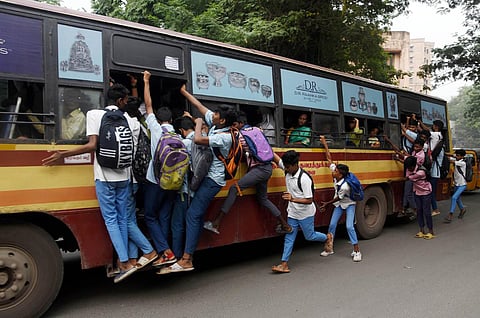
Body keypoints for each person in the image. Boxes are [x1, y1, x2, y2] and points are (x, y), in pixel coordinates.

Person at [42, 84, 138, 283]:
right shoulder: (128, 118)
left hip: (105, 177)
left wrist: (63, 154)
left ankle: (124, 262)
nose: (126, 103)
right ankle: (128, 261)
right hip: (124, 177)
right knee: (122, 219)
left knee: (111, 220)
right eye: (125, 100)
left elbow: (92, 145)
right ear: (121, 101)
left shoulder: (95, 114)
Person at [159, 84, 236, 273]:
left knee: (193, 214)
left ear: (222, 120)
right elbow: (201, 107)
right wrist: (184, 92)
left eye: (216, 114)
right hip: (206, 177)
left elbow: (199, 139)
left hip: (213, 181)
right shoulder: (218, 125)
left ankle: (187, 259)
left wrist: (198, 123)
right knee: (194, 214)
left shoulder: (225, 136)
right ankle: (186, 256)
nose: (213, 114)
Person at [203, 111, 291, 235]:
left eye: (234, 125)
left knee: (234, 188)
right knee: (263, 199)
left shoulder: (239, 136)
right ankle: (284, 224)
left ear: (240, 123)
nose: (233, 127)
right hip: (267, 168)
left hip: (259, 170)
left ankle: (216, 222)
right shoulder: (256, 130)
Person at [271, 150, 333, 273]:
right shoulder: (287, 167)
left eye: (288, 167)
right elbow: (276, 158)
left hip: (305, 214)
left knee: (309, 236)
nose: (286, 169)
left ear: (295, 165)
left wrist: (292, 199)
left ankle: (327, 237)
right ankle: (284, 264)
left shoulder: (304, 179)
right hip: (292, 213)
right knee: (289, 237)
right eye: (285, 167)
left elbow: (309, 200)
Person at [142, 70, 177, 269]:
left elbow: (148, 105)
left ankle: (166, 252)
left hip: (156, 180)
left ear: (159, 118)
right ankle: (167, 251)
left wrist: (146, 82)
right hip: (174, 183)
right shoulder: (178, 134)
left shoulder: (155, 128)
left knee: (150, 216)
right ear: (171, 120)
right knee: (164, 215)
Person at [319, 136, 362, 262]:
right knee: (332, 225)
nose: (333, 171)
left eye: (335, 171)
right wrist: (324, 143)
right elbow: (329, 159)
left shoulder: (345, 186)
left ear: (340, 174)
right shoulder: (337, 175)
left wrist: (326, 203)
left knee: (349, 227)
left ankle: (357, 251)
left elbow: (338, 197)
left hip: (349, 204)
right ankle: (329, 248)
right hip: (339, 204)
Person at [170, 115, 196, 258]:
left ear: (182, 130)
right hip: (196, 189)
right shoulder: (201, 139)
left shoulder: (184, 142)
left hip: (184, 190)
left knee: (177, 225)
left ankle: (178, 255)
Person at [418, 118, 445, 216]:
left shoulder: (436, 135)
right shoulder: (439, 136)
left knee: (431, 191)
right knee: (430, 191)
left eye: (433, 125)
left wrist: (420, 122)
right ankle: (431, 208)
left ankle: (435, 209)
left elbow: (426, 131)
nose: (431, 127)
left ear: (436, 127)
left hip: (434, 171)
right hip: (434, 171)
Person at [404, 156, 435, 239]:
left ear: (414, 166)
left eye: (410, 168)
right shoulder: (410, 167)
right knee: (419, 211)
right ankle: (421, 230)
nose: (408, 169)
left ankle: (430, 231)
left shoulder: (421, 172)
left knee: (427, 212)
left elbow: (409, 177)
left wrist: (408, 176)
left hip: (425, 192)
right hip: (417, 192)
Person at [444, 149, 467, 223]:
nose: (456, 156)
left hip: (462, 184)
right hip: (456, 183)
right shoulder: (458, 158)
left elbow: (452, 160)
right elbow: (452, 155)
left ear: (462, 156)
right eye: (456, 155)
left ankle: (451, 214)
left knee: (454, 197)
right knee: (457, 199)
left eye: (458, 155)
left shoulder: (462, 163)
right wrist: (444, 153)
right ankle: (462, 209)